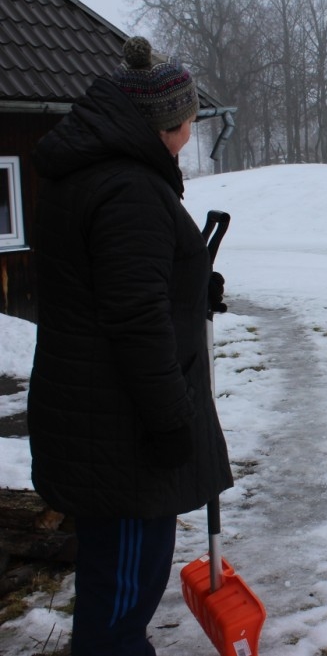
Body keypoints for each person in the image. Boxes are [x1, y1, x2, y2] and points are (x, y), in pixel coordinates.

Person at [28, 36, 233, 655]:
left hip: (98, 411)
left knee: (114, 582)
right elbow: (134, 319)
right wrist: (172, 420)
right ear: (170, 124)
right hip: (122, 426)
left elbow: (111, 284)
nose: (192, 130)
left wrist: (188, 280)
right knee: (121, 594)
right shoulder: (129, 189)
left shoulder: (96, 175)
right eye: (191, 120)